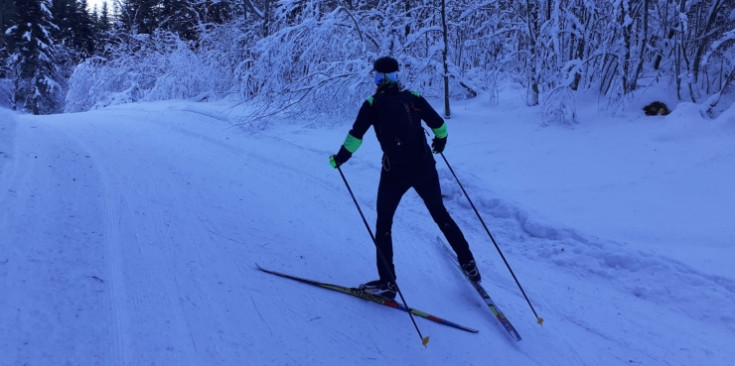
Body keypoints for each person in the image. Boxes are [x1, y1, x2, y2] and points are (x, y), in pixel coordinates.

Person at [329, 56, 481, 300]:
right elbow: (440, 125)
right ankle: (469, 263)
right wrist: (439, 143)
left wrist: (340, 158)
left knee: (384, 223)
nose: (383, 81)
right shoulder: (414, 98)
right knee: (440, 214)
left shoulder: (372, 103)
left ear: (378, 79)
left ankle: (388, 283)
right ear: (398, 77)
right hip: (425, 168)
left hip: (395, 173)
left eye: (381, 77)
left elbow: (355, 137)